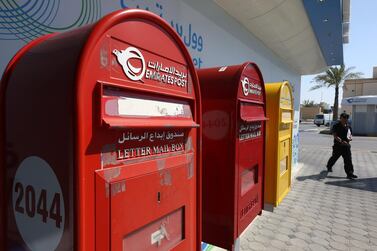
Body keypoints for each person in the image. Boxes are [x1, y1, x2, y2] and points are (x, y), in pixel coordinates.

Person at [326, 112, 358, 179]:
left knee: (348, 160)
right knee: (334, 157)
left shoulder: (349, 127)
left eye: (346, 119)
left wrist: (349, 139)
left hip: (346, 147)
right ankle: (329, 166)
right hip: (338, 146)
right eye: (343, 119)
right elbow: (335, 136)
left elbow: (350, 136)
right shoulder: (336, 126)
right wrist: (341, 141)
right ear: (340, 118)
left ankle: (350, 173)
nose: (345, 120)